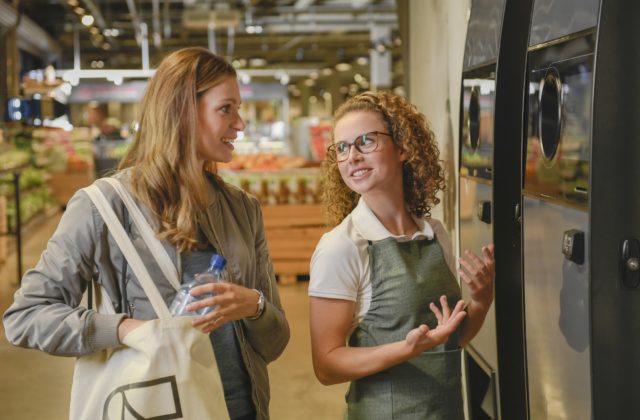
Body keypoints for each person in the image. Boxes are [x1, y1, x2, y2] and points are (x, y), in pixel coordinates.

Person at [3, 47, 290, 420]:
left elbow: (276, 341)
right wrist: (123, 329)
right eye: (226, 109)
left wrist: (254, 306)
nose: (241, 124)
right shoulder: (103, 208)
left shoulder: (243, 209)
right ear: (183, 111)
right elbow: (25, 316)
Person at [309, 91, 495, 419]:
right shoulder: (342, 247)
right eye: (342, 147)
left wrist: (481, 301)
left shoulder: (435, 233)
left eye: (366, 141)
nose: (351, 156)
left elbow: (449, 344)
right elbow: (326, 366)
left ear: (404, 148)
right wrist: (405, 349)